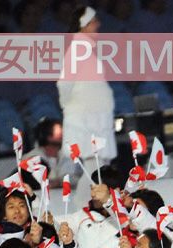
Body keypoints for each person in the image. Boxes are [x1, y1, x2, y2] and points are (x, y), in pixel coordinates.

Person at [59, 9, 116, 171]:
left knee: (99, 168)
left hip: (97, 118)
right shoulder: (77, 50)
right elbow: (65, 84)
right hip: (86, 120)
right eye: (93, 21)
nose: (98, 24)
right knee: (93, 169)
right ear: (83, 26)